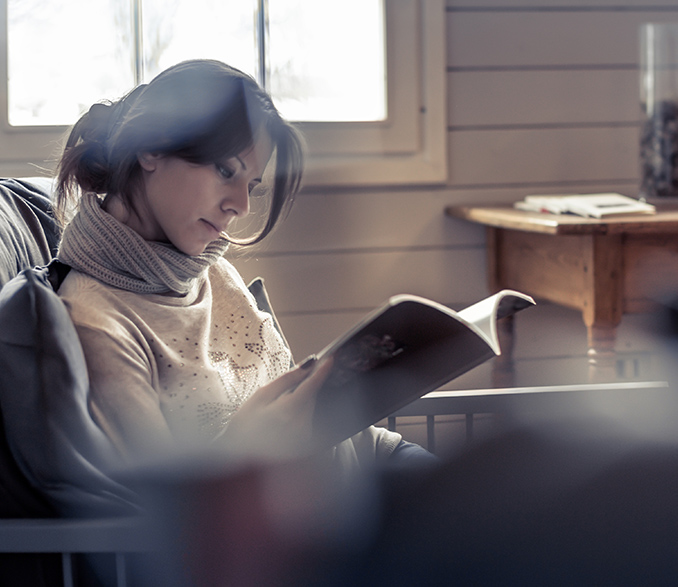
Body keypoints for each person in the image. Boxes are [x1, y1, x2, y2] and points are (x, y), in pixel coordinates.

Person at [54, 59, 432, 470]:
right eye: (225, 170)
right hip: (312, 508)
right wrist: (240, 448)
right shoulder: (98, 323)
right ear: (152, 148)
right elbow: (162, 503)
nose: (242, 205)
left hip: (372, 461)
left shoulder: (211, 268)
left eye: (251, 185)